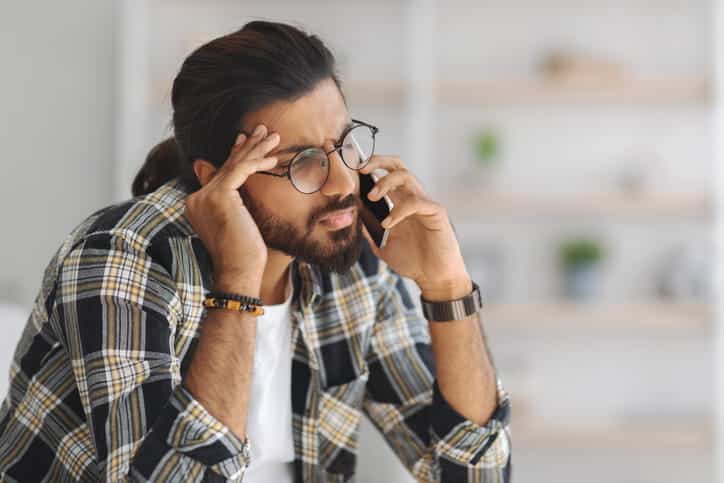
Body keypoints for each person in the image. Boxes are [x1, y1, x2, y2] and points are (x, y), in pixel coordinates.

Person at [0, 21, 511, 482]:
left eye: (343, 144)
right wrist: (239, 283)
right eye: (300, 161)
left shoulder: (350, 262)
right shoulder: (120, 259)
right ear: (219, 179)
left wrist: (447, 288)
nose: (342, 182)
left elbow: (473, 475)